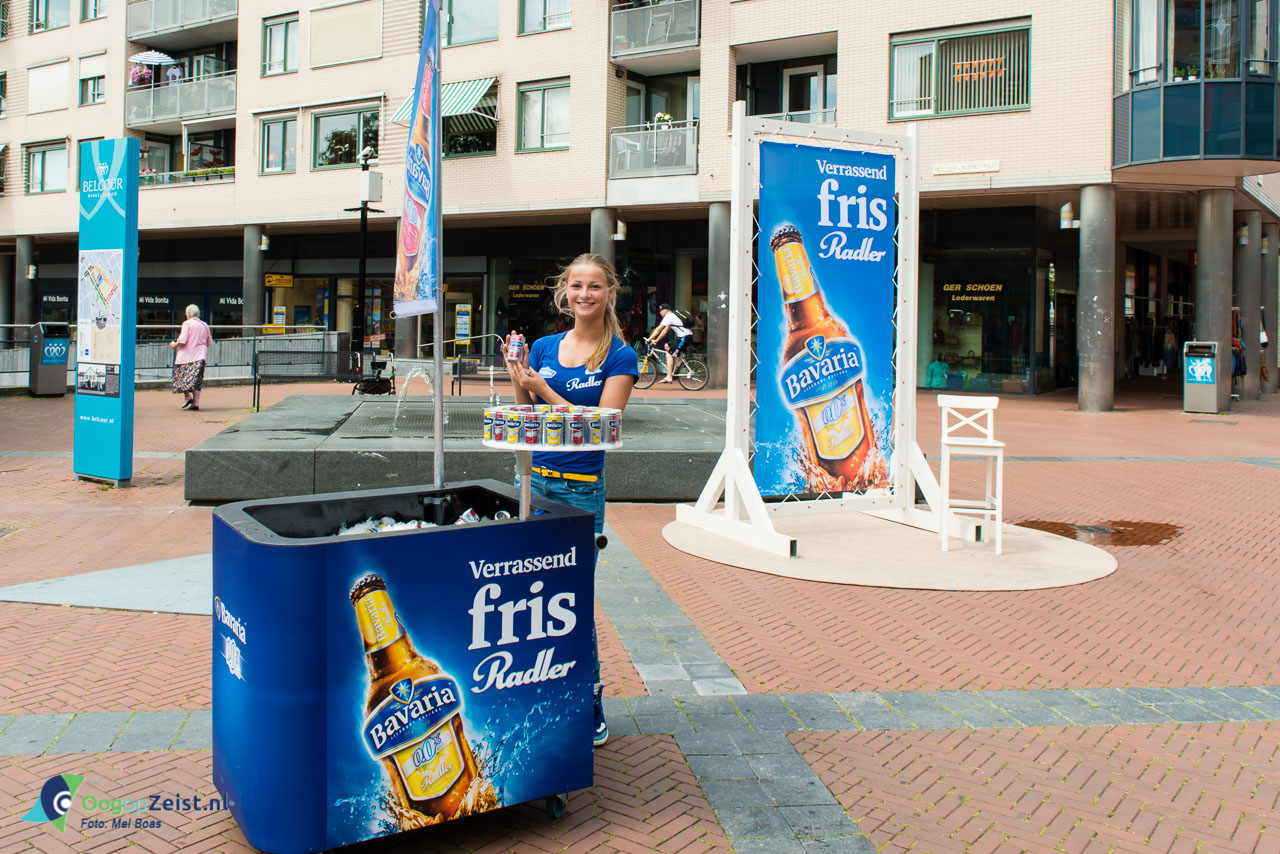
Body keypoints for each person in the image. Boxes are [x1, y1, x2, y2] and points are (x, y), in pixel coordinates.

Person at [504, 253, 638, 748]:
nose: (585, 294)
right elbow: (526, 417)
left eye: (595, 287)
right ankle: (541, 690)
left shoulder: (620, 356)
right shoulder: (541, 346)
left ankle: (591, 698)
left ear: (609, 293)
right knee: (530, 600)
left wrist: (546, 392)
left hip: (581, 490)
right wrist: (521, 383)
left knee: (572, 601)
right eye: (577, 286)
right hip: (534, 482)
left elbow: (604, 427)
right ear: (565, 291)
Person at [170, 304, 213, 410]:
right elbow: (209, 341)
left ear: (188, 314)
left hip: (186, 357)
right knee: (197, 380)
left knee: (180, 378)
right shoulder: (204, 325)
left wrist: (174, 345)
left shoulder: (187, 324)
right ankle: (196, 402)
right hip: (200, 356)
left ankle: (188, 397)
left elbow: (183, 340)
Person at [644, 303, 692, 383]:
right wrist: (656, 340)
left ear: (665, 310)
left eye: (661, 310)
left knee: (669, 354)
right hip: (684, 337)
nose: (660, 313)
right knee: (667, 346)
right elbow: (665, 330)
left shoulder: (669, 316)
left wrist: (649, 338)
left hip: (684, 337)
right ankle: (678, 363)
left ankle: (669, 376)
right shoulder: (672, 316)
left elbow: (658, 329)